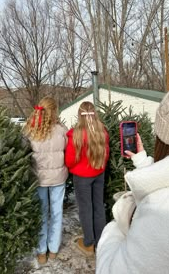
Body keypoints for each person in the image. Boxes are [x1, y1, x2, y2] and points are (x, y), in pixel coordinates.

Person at [96, 78, 169, 274]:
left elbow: (110, 270)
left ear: (165, 140)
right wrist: (142, 161)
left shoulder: (164, 211)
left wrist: (117, 226)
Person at [23, 97, 68, 265]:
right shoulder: (62, 130)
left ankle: (42, 252)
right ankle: (53, 250)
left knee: (41, 214)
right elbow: (68, 149)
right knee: (57, 213)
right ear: (53, 111)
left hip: (38, 179)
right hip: (58, 178)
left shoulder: (29, 130)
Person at [65, 101, 109, 257]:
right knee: (98, 206)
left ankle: (89, 243)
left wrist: (76, 167)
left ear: (80, 115)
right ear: (94, 114)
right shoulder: (102, 131)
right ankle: (101, 242)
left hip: (82, 177)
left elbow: (70, 160)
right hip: (99, 173)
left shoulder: (75, 134)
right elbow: (106, 154)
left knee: (86, 209)